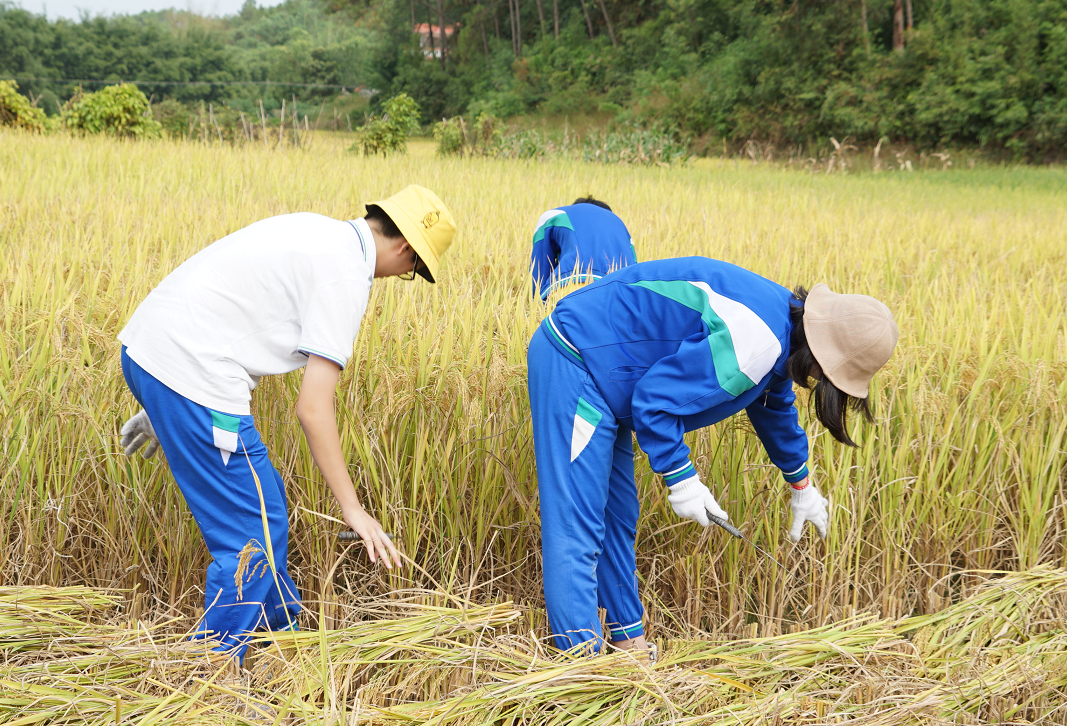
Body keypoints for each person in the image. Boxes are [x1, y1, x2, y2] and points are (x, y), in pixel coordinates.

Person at [117, 186, 456, 662]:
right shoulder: (345, 276)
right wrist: (353, 510)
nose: (403, 275)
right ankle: (210, 668)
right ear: (406, 250)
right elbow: (313, 409)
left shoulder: (317, 230)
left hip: (149, 351)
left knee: (265, 503)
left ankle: (281, 633)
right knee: (252, 531)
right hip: (190, 372)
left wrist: (164, 403)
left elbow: (238, 314)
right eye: (414, 272)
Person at [526, 257, 898, 657]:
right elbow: (654, 402)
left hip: (611, 380)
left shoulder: (783, 325)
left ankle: (628, 645)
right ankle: (581, 667)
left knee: (618, 518)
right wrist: (681, 478)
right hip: (578, 360)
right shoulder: (754, 339)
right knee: (576, 527)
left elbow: (773, 406)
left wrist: (801, 484)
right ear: (824, 362)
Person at [530, 197, 637, 301]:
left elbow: (540, 267)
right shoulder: (621, 225)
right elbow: (635, 271)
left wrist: (535, 303)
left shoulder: (556, 214)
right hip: (622, 295)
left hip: (573, 287)